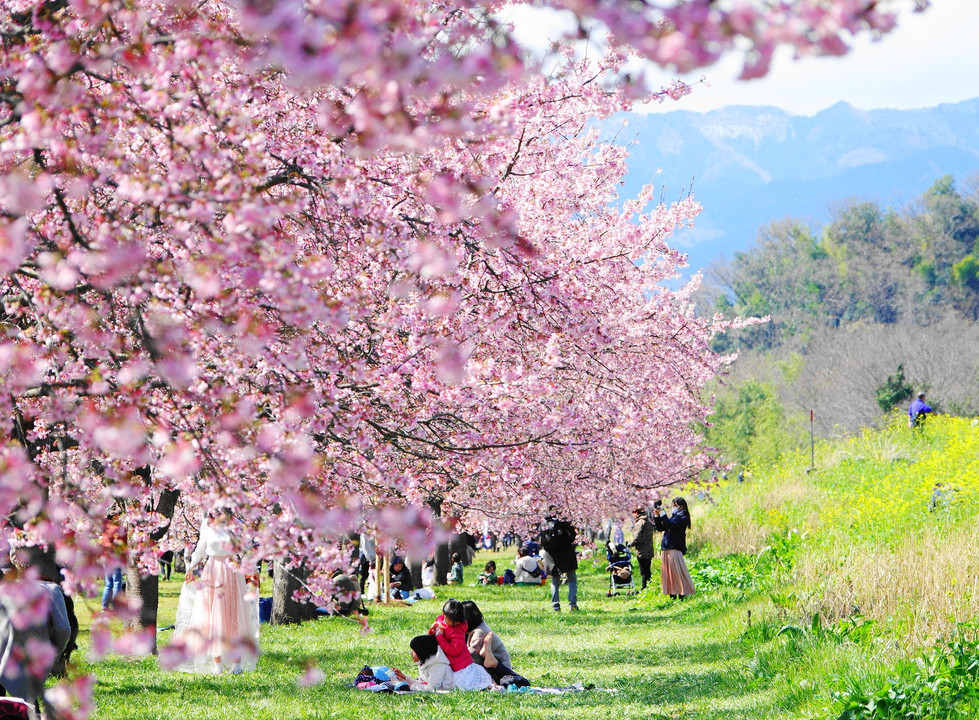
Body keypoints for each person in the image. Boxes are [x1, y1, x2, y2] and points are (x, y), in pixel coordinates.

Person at [173, 513, 259, 674]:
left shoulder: (236, 523)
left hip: (232, 572)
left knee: (234, 614)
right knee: (212, 616)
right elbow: (201, 548)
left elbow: (245, 549)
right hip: (212, 572)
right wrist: (191, 568)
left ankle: (237, 665)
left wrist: (252, 569)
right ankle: (217, 665)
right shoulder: (207, 523)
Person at [462, 600, 530, 687]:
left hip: (500, 667)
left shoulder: (479, 632)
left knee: (521, 683)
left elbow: (473, 655)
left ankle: (491, 659)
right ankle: (487, 655)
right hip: (491, 666)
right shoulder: (477, 627)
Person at [428, 599, 492, 690]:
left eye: (457, 621)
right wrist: (432, 630)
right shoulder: (439, 620)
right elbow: (432, 638)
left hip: (459, 666)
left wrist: (440, 638)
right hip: (444, 660)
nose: (455, 624)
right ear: (443, 614)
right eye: (452, 621)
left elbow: (454, 650)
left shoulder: (458, 631)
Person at [653, 498, 695, 600]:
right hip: (667, 547)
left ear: (681, 507)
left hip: (675, 547)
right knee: (669, 573)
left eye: (674, 505)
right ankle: (672, 594)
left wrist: (663, 513)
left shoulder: (683, 518)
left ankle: (682, 593)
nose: (673, 508)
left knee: (677, 572)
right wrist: (657, 515)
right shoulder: (674, 517)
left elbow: (669, 525)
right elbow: (660, 528)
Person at [539, 507, 578, 611]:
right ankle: (572, 604)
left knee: (554, 581)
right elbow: (572, 536)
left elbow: (541, 541)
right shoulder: (563, 522)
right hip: (566, 553)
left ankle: (556, 606)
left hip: (550, 555)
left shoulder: (544, 523)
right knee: (572, 579)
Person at [629, 506, 655, 591]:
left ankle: (644, 588)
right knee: (647, 570)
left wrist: (630, 544)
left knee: (644, 571)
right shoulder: (648, 521)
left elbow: (637, 537)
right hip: (649, 549)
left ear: (636, 513)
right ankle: (649, 587)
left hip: (642, 550)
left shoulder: (640, 522)